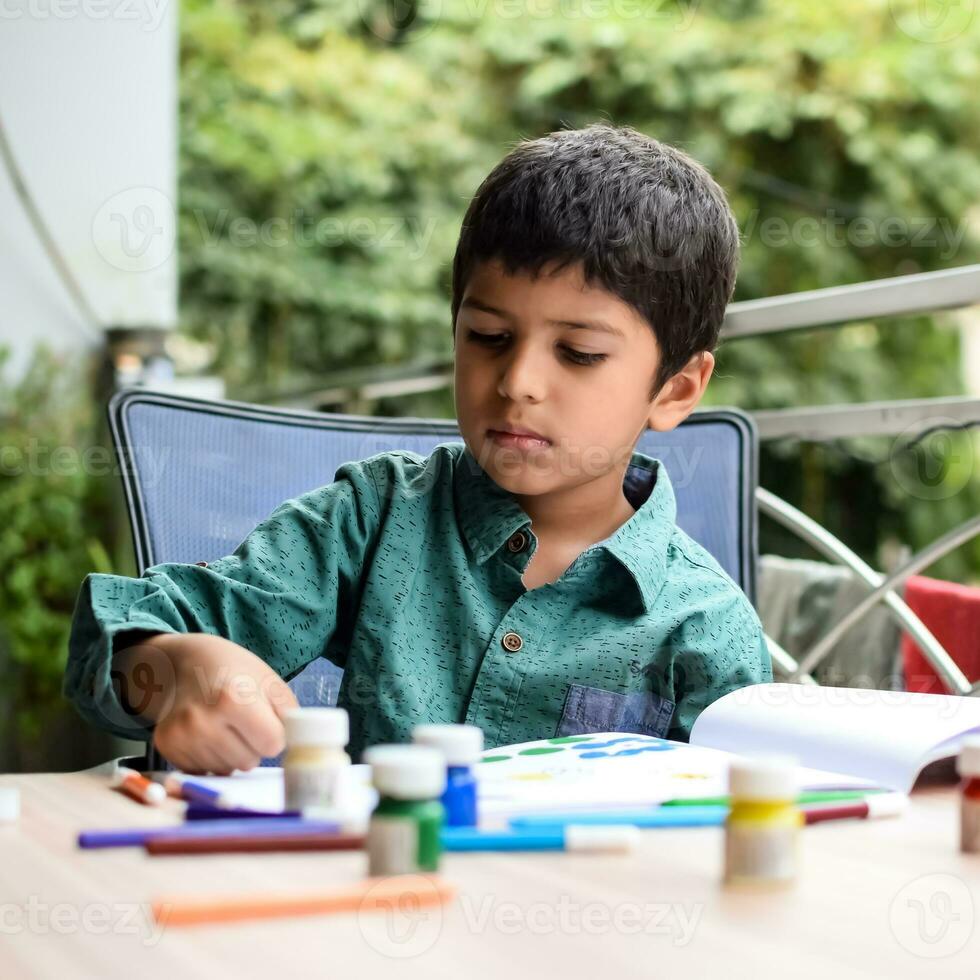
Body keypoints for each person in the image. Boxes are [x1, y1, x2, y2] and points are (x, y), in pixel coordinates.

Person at [65, 123, 771, 772]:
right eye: (488, 338)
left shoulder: (705, 627)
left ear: (675, 390)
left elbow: (747, 830)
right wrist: (173, 662)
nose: (518, 382)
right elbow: (130, 632)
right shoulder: (375, 520)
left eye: (579, 353)